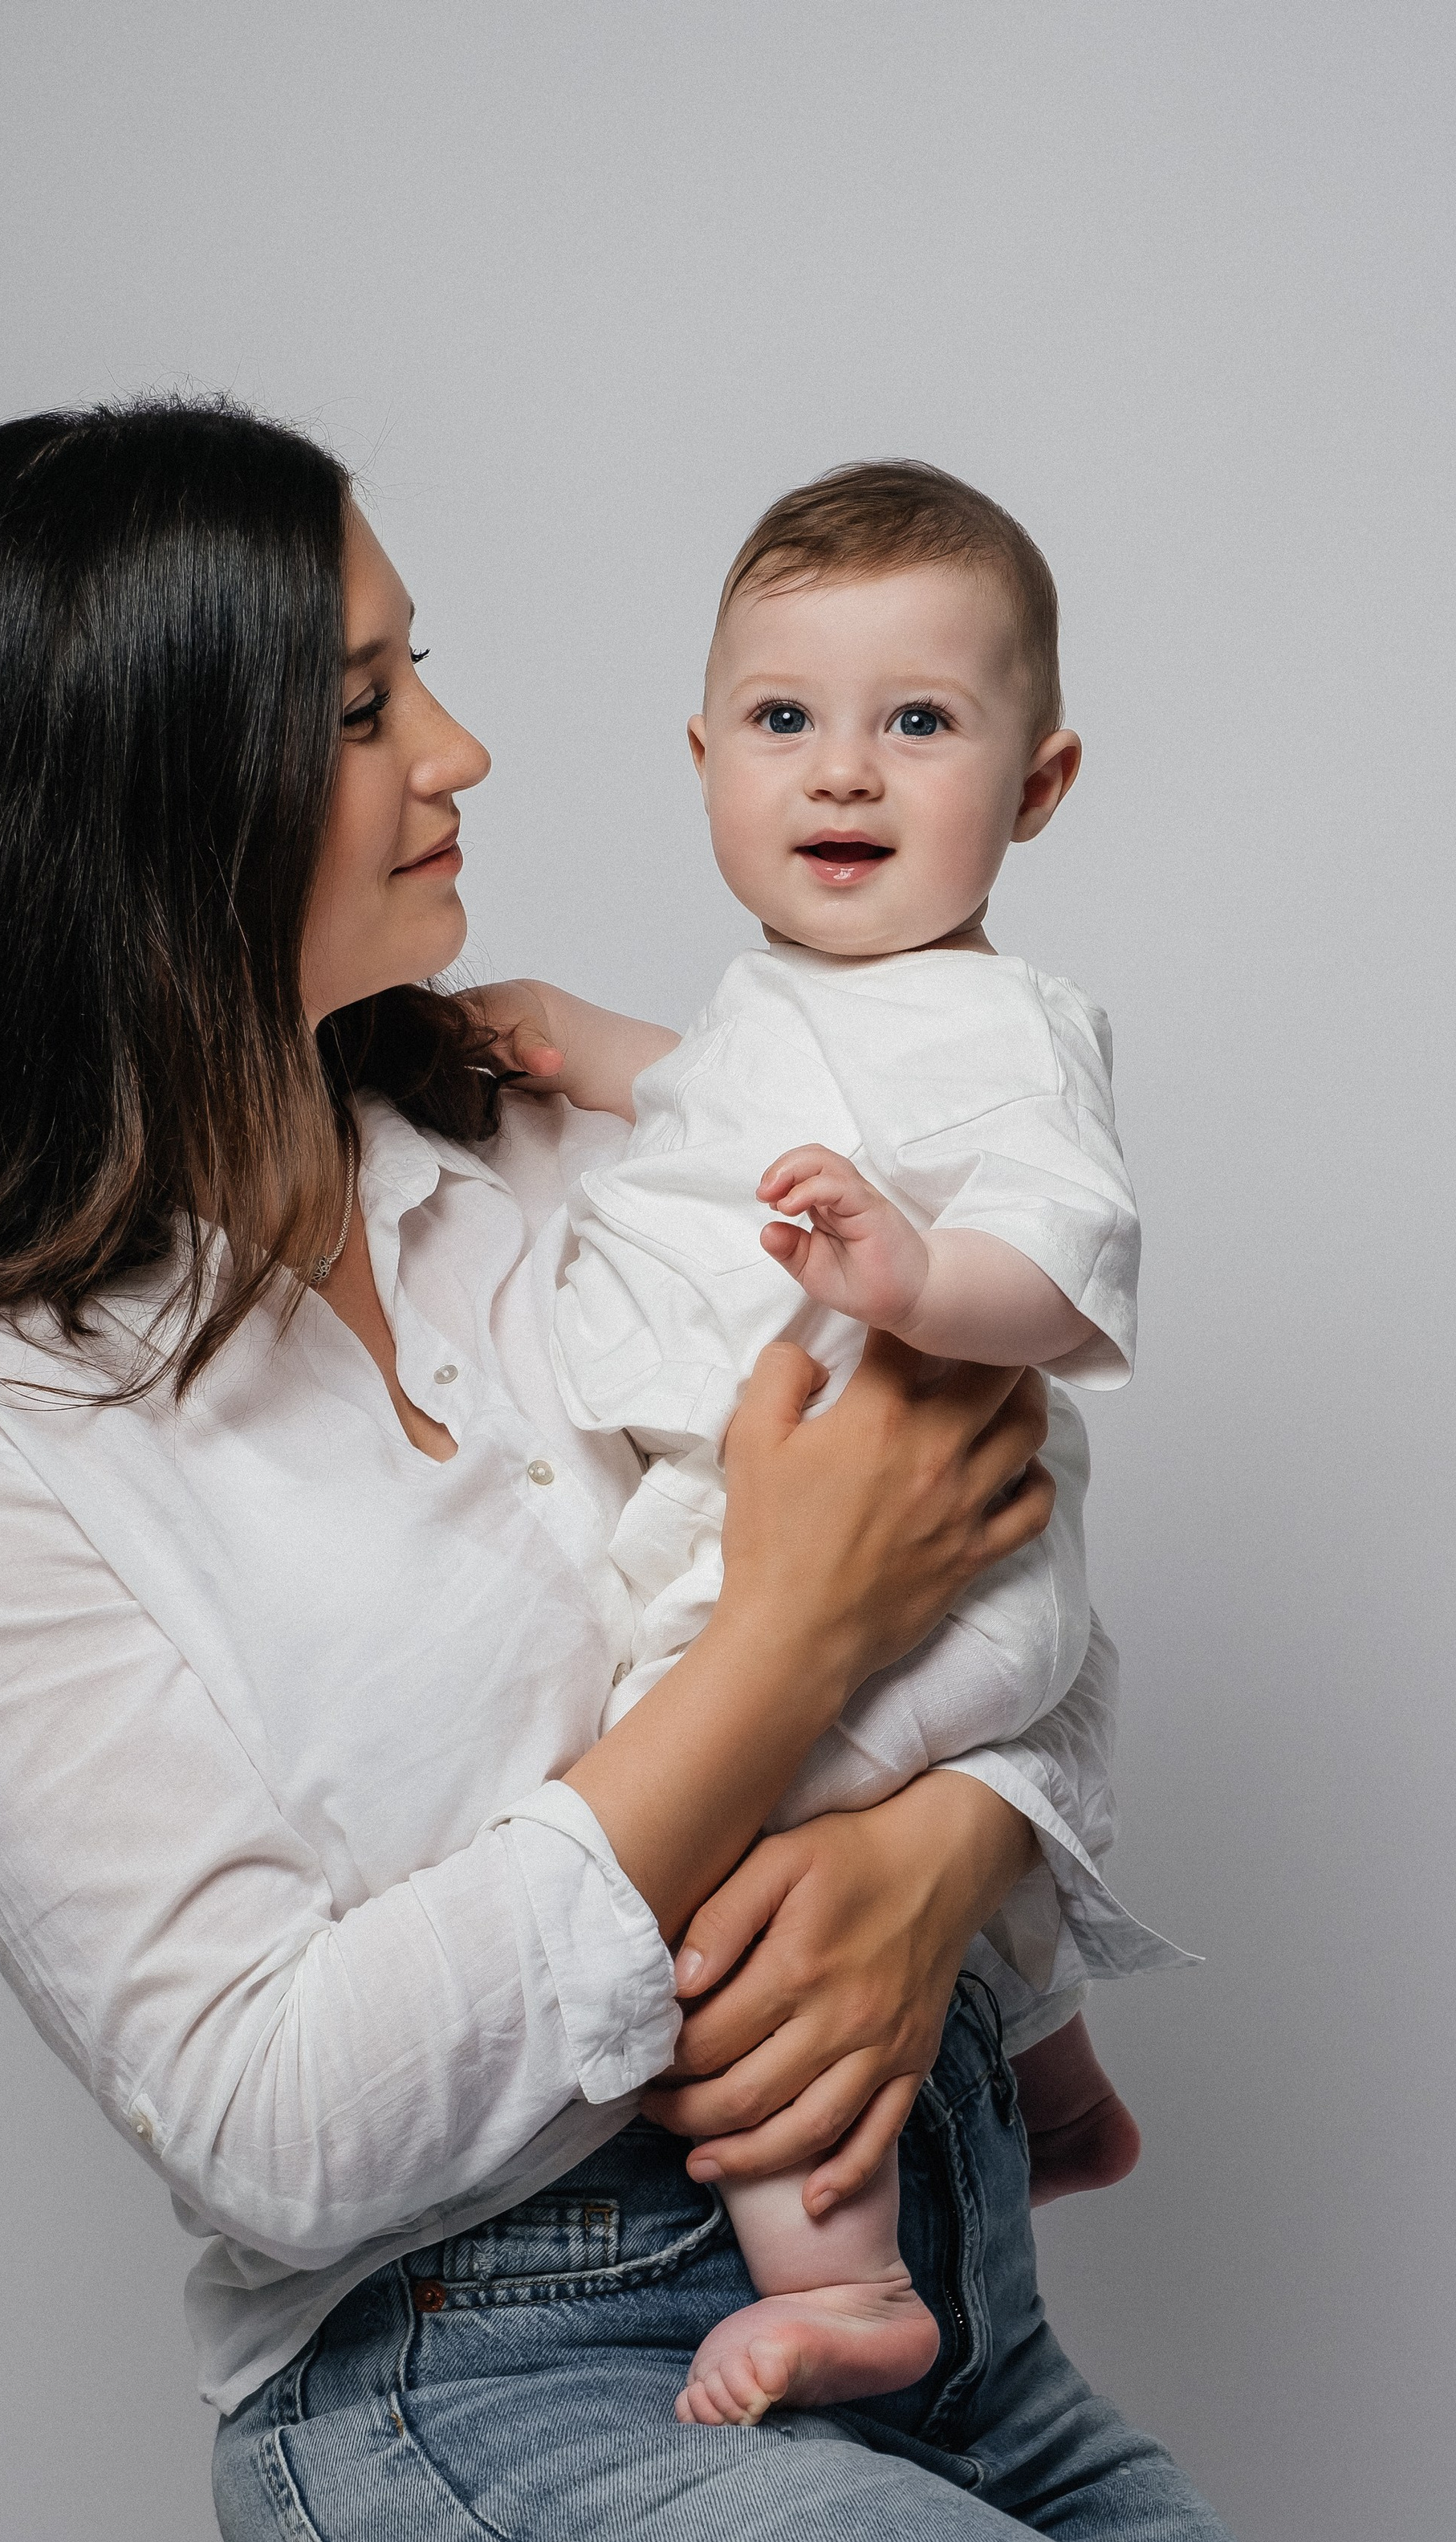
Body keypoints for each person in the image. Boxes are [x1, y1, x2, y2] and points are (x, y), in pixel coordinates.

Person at [0, 397, 1456, 2542]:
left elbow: (1001, 1545)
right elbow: (268, 2115)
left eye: (425, 678)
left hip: (943, 2288)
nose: (463, 753)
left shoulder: (563, 1179)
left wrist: (965, 1839)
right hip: (490, 2400)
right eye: (368, 704)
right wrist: (771, 1679)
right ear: (144, 797)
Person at [475, 459, 1157, 2428]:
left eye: (916, 724)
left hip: (911, 1571)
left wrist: (918, 1276)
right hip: (825, 1560)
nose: (840, 774)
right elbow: (695, 1098)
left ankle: (844, 2283)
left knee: (708, 1871)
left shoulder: (1003, 1026)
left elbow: (1068, 1258)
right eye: (785, 722)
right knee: (871, 1822)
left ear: (1035, 786)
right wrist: (558, 1034)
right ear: (703, 759)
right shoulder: (796, 999)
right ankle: (1056, 2091)